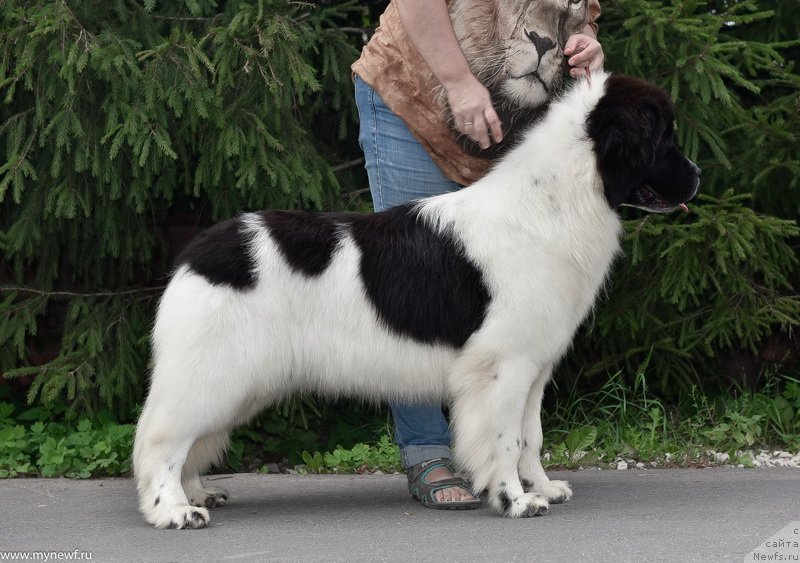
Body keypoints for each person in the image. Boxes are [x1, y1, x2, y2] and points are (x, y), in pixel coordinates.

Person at [351, 0, 604, 509]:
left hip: (515, 126)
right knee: (413, 285)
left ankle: (502, 460)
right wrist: (458, 81)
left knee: (509, 315)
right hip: (416, 100)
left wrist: (586, 45)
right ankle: (426, 451)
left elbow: (579, 14)